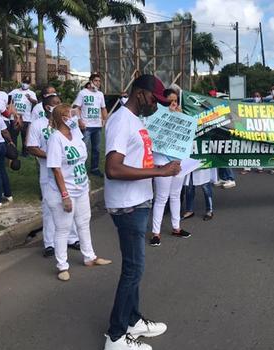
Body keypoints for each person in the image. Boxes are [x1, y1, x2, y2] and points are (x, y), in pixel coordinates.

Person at [104, 74, 178, 350]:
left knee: (135, 269)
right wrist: (159, 171)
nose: (156, 105)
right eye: (154, 100)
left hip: (138, 201)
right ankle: (115, 336)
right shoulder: (122, 121)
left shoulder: (135, 121)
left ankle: (132, 320)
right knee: (133, 270)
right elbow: (113, 169)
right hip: (127, 205)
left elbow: (137, 158)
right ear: (140, 94)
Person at [45, 103, 111, 281]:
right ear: (64, 119)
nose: (75, 116)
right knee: (63, 228)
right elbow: (56, 169)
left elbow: (81, 163)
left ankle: (90, 256)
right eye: (71, 114)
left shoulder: (76, 135)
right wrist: (65, 195)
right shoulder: (55, 139)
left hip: (80, 188)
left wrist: (86, 185)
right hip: (63, 192)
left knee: (83, 222)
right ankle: (62, 265)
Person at [27, 94, 81, 257]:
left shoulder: (70, 123)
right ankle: (49, 243)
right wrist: (52, 156)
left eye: (60, 102)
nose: (59, 105)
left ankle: (72, 238)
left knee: (71, 205)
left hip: (69, 174)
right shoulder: (37, 125)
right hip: (48, 173)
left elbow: (78, 144)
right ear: (47, 107)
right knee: (50, 207)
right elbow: (31, 147)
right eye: (55, 103)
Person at [149, 88, 191, 246]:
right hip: (162, 162)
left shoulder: (181, 116)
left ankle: (176, 227)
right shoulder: (155, 117)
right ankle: (155, 232)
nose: (173, 104)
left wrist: (180, 117)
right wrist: (168, 116)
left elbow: (186, 137)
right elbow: (155, 136)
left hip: (178, 162)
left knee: (175, 195)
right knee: (161, 198)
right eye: (170, 101)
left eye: (175, 101)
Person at [73, 73, 108, 177]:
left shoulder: (100, 94)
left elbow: (103, 108)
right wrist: (79, 121)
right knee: (83, 148)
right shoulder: (83, 93)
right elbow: (76, 108)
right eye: (96, 81)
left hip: (97, 126)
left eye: (99, 81)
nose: (98, 83)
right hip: (86, 126)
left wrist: (105, 119)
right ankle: (80, 168)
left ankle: (94, 168)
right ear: (91, 81)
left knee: (96, 149)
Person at [10, 77, 37, 157]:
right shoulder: (15, 91)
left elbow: (35, 102)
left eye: (27, 83)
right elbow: (8, 98)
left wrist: (29, 98)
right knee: (14, 136)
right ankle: (14, 152)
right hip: (14, 117)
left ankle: (25, 152)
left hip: (26, 118)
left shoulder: (31, 93)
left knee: (25, 136)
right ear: (21, 82)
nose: (25, 84)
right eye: (24, 82)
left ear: (29, 84)